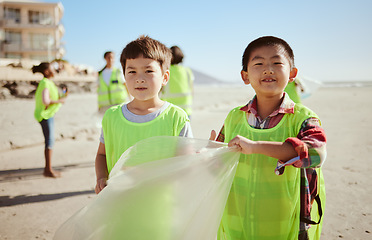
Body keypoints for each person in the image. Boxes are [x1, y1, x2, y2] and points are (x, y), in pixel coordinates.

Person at [211, 36, 327, 240]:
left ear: (292, 74)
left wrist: (255, 146)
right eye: (258, 64)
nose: (268, 69)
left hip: (286, 222)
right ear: (245, 76)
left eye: (276, 63)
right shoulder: (234, 117)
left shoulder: (304, 118)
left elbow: (316, 153)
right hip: (237, 220)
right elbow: (217, 167)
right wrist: (208, 152)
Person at [95, 36, 193, 194]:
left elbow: (185, 165)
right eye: (132, 71)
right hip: (119, 203)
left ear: (165, 77)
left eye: (148, 71)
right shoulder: (111, 116)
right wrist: (101, 177)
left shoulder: (177, 117)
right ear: (124, 77)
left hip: (161, 206)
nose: (139, 79)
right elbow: (101, 154)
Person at [33, 62, 67, 178]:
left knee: (49, 140)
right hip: (45, 115)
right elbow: (45, 101)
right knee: (49, 141)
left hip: (47, 115)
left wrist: (62, 96)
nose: (55, 70)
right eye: (52, 68)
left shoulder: (47, 82)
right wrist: (60, 101)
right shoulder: (45, 83)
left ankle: (48, 169)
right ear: (47, 71)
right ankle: (48, 170)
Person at [160, 46, 194, 118]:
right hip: (186, 110)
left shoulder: (165, 71)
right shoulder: (187, 71)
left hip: (169, 111)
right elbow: (192, 90)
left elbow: (160, 90)